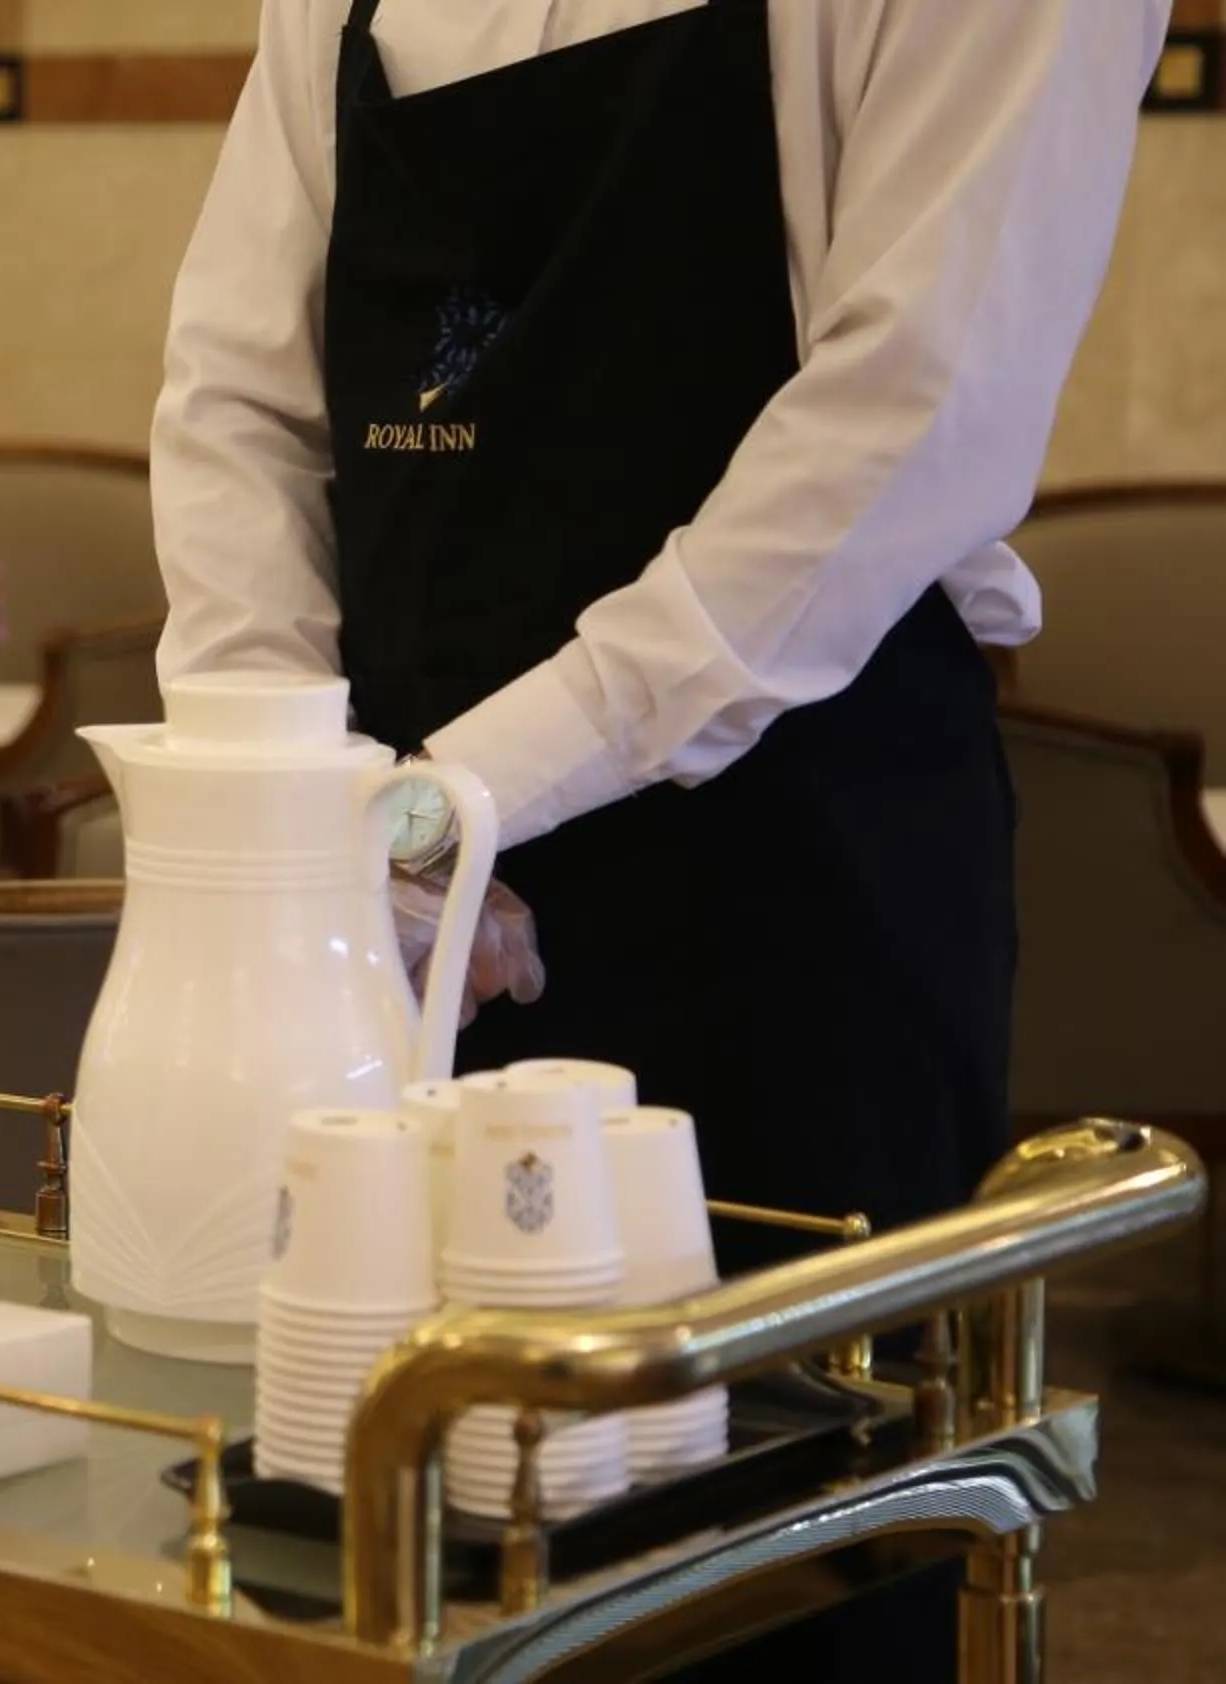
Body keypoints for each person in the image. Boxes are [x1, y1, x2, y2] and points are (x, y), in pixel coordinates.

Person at [152, 0, 1168, 1677]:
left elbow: (911, 416)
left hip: (782, 886)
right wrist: (312, 801)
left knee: (782, 1588)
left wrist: (458, 801)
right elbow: (236, 403)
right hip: (385, 907)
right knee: (379, 1565)